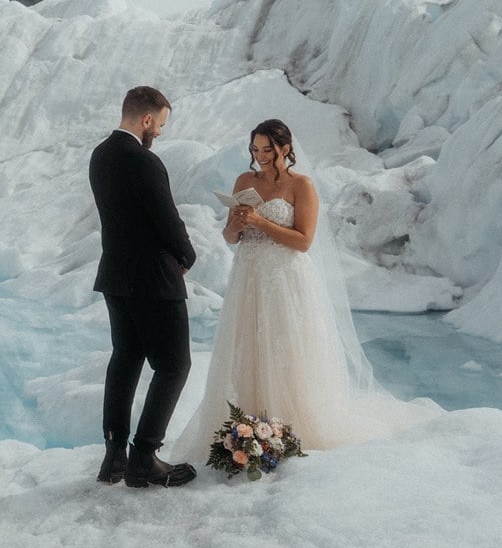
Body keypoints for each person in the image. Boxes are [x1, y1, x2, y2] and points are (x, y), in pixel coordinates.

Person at [169, 118, 434, 459]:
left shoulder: (301, 185)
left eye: (267, 149)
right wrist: (235, 225)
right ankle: (244, 427)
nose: (260, 156)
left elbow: (304, 241)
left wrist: (260, 221)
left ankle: (284, 430)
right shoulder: (244, 180)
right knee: (247, 344)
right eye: (255, 149)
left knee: (285, 346)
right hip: (247, 275)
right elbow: (230, 238)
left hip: (284, 277)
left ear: (285, 149)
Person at [89, 86, 198, 488]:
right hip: (153, 278)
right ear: (147, 119)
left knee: (126, 357)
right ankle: (144, 457)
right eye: (161, 124)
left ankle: (114, 455)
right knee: (174, 365)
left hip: (116, 276)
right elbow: (167, 220)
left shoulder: (100, 155)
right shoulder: (145, 160)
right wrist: (187, 255)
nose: (161, 133)